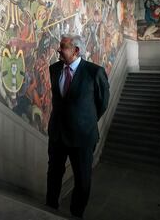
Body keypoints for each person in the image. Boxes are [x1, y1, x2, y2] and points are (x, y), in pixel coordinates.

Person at [46, 34, 109, 219]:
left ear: (76, 51)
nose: (59, 50)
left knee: (82, 179)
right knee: (54, 174)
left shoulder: (94, 72)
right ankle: (50, 208)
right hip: (57, 134)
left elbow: (102, 102)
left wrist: (84, 120)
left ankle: (76, 214)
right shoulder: (54, 69)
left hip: (82, 136)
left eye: (63, 47)